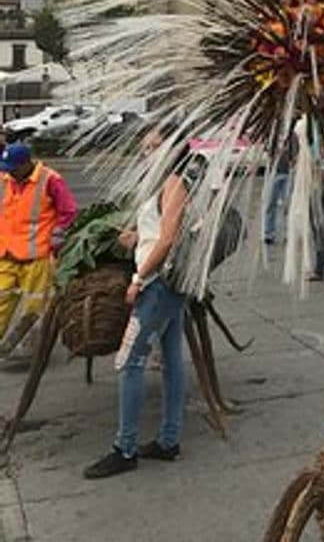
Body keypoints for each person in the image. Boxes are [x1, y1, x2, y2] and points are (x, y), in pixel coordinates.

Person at [84, 130, 200, 479]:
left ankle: (125, 448)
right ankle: (168, 441)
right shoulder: (165, 183)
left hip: (157, 286)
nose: (146, 153)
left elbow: (167, 241)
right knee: (172, 361)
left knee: (129, 362)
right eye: (144, 147)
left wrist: (138, 279)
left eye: (152, 147)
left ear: (170, 149)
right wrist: (134, 237)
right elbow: (157, 234)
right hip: (164, 284)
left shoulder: (175, 183)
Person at [0, 142, 78, 357]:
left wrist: (56, 239)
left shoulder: (49, 179)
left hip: (36, 255)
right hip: (6, 253)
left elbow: (68, 212)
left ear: (26, 164)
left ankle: (28, 349)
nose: (9, 172)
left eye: (13, 168)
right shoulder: (5, 178)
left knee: (34, 305)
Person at [263, 127, 300, 246]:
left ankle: (288, 233)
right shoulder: (272, 133)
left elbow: (295, 154)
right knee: (270, 204)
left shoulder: (292, 136)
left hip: (287, 173)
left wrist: (293, 166)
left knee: (288, 205)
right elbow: (268, 150)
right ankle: (269, 234)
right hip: (274, 173)